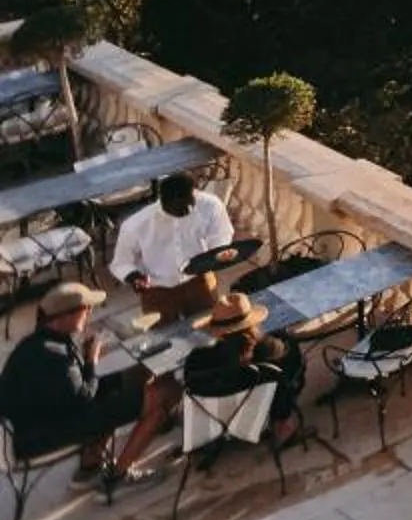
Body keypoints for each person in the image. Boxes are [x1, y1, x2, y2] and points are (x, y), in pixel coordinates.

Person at [0, 282, 174, 488]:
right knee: (161, 396)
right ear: (65, 316)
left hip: (38, 424)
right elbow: (84, 397)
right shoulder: (53, 353)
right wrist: (92, 360)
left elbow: (66, 387)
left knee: (136, 375)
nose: (90, 312)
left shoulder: (35, 343)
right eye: (86, 308)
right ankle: (118, 477)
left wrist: (85, 362)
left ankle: (90, 465)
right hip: (40, 437)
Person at [179, 291, 302, 446]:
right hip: (253, 412)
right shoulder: (266, 349)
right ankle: (283, 425)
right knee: (287, 362)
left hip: (216, 419)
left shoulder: (198, 360)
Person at [109, 174, 234, 322]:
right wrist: (135, 278)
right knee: (162, 334)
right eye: (180, 206)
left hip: (200, 282)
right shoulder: (135, 225)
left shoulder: (211, 205)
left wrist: (216, 255)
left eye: (190, 202)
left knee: (209, 325)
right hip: (157, 289)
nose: (188, 209)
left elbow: (221, 234)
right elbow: (121, 263)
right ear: (163, 201)